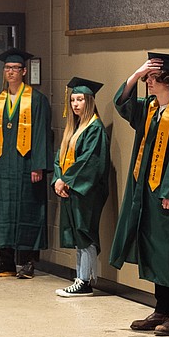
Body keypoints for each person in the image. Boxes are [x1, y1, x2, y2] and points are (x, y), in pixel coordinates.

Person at [110, 53, 169, 336]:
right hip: (147, 192)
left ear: (168, 80)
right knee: (156, 252)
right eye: (148, 77)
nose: (148, 82)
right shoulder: (148, 108)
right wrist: (136, 74)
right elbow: (121, 103)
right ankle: (162, 308)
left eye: (152, 77)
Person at [0, 48, 53, 279]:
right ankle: (6, 262)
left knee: (29, 210)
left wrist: (39, 165)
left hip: (27, 167)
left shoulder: (37, 100)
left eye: (15, 68)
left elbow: (40, 134)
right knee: (3, 213)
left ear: (24, 71)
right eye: (7, 68)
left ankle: (27, 263)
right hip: (1, 166)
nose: (10, 72)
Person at [53, 77, 109, 297]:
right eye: (73, 100)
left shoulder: (94, 129)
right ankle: (80, 277)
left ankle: (85, 282)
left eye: (80, 100)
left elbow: (90, 162)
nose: (75, 104)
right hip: (72, 190)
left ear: (90, 101)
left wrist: (66, 180)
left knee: (85, 234)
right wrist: (58, 179)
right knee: (78, 235)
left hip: (86, 192)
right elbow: (60, 157)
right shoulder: (73, 129)